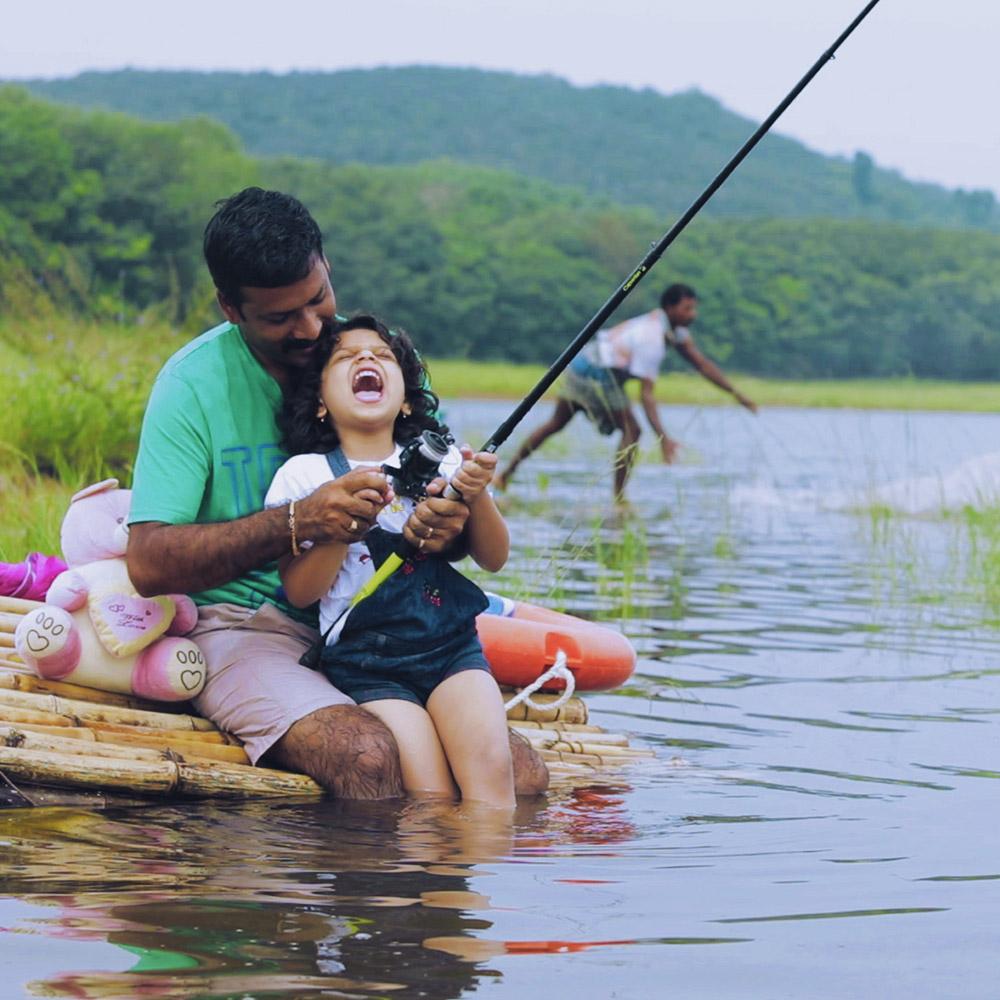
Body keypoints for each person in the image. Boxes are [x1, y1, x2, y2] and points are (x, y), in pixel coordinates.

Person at [125, 187, 548, 799]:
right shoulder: (190, 385)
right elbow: (147, 562)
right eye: (280, 317)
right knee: (369, 759)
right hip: (249, 627)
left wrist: (447, 523)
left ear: (326, 268)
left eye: (319, 298)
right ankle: (372, 892)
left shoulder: (380, 358)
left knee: (524, 776)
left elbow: (458, 542)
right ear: (230, 308)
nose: (313, 327)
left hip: (386, 625)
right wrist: (299, 521)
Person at [266, 314, 515, 808]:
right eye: (345, 357)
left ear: (404, 399)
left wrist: (475, 492)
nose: (365, 358)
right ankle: (417, 876)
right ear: (319, 403)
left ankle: (463, 884)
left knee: (492, 772)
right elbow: (300, 591)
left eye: (382, 355)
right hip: (368, 663)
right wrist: (345, 524)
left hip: (450, 647)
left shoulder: (443, 463)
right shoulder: (304, 476)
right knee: (428, 794)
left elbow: (494, 559)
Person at [496, 283, 757, 502]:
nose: (693, 314)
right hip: (597, 374)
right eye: (687, 308)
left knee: (556, 424)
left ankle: (505, 476)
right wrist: (663, 438)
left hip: (581, 365)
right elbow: (647, 396)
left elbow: (701, 364)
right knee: (632, 432)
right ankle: (618, 500)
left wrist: (737, 394)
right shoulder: (652, 338)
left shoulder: (673, 330)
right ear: (670, 308)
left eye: (694, 307)